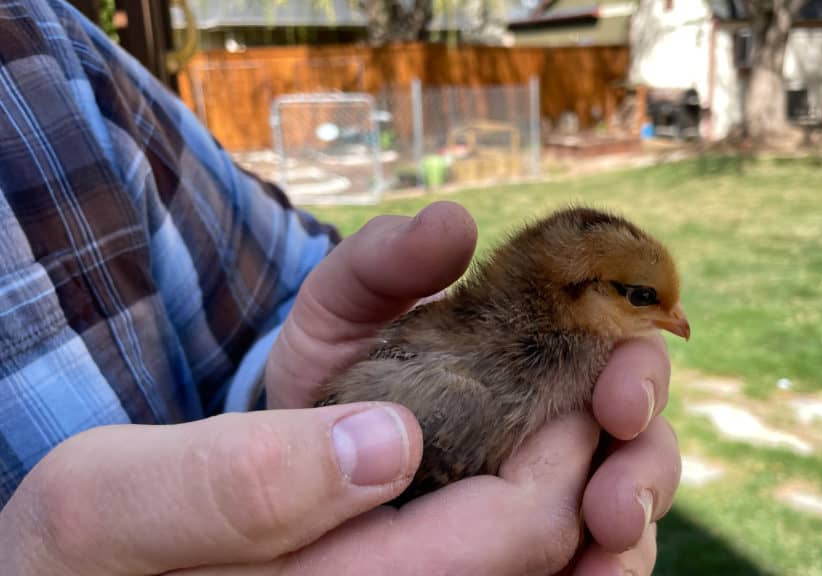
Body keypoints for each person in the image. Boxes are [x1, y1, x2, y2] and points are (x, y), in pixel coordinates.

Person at [0, 1, 681, 574]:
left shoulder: (52, 54)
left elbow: (267, 307)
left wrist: (279, 381)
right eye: (643, 298)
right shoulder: (471, 399)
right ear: (571, 292)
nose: (672, 319)